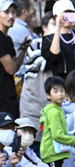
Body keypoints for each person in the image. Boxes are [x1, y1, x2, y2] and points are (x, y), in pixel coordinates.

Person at [19, 11, 55, 154]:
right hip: (33, 106)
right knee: (31, 146)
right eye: (54, 24)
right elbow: (45, 63)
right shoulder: (35, 44)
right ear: (44, 27)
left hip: (54, 105)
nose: (58, 28)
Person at [40, 76, 75, 167]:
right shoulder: (53, 111)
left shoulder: (58, 109)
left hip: (55, 154)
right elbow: (57, 135)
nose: (60, 94)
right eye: (55, 91)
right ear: (48, 95)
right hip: (52, 154)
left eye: (62, 90)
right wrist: (74, 140)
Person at [0, 0, 31, 117]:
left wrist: (23, 50)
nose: (11, 16)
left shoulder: (7, 39)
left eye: (13, 12)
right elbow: (11, 69)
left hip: (8, 95)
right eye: (6, 12)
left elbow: (14, 66)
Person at [8, 0, 39, 79]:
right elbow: (35, 51)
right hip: (22, 75)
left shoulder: (19, 27)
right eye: (32, 9)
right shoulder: (20, 29)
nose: (33, 12)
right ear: (24, 12)